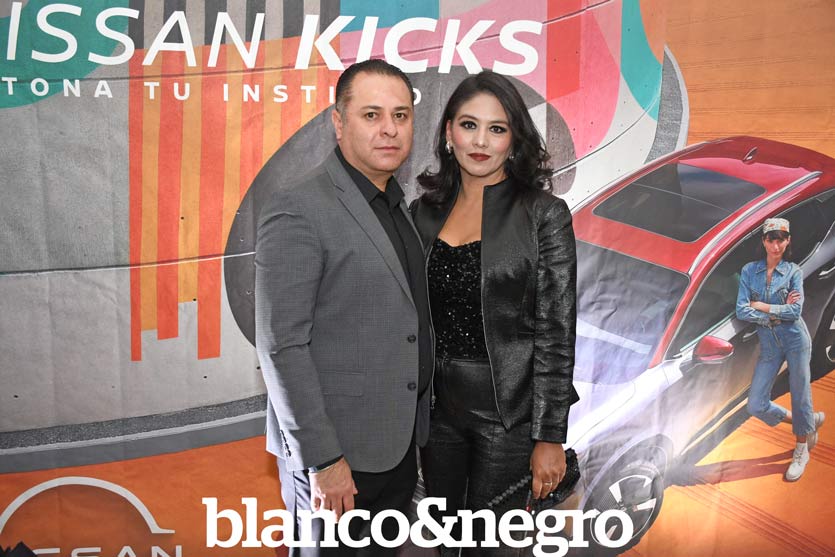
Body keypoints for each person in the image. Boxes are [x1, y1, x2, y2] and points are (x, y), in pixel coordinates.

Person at [254, 59, 432, 555]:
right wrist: (323, 459)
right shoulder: (299, 206)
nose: (389, 129)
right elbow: (281, 346)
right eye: (371, 115)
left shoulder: (395, 203)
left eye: (400, 115)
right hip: (337, 460)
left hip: (395, 448)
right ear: (338, 122)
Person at [410, 71, 579, 555]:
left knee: (492, 547)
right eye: (469, 125)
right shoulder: (423, 211)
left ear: (514, 140)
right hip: (438, 413)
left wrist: (549, 436)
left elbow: (556, 331)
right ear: (448, 132)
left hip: (509, 417)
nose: (481, 141)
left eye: (497, 129)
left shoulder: (543, 214)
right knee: (446, 540)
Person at [736, 217, 825, 481]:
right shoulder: (749, 271)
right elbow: (741, 309)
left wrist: (761, 306)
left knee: (800, 394)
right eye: (771, 240)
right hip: (769, 344)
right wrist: (775, 313)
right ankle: (807, 422)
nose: (776, 246)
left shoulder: (793, 272)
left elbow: (794, 311)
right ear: (764, 241)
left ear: (788, 242)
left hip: (796, 339)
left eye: (781, 240)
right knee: (755, 404)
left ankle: (801, 450)